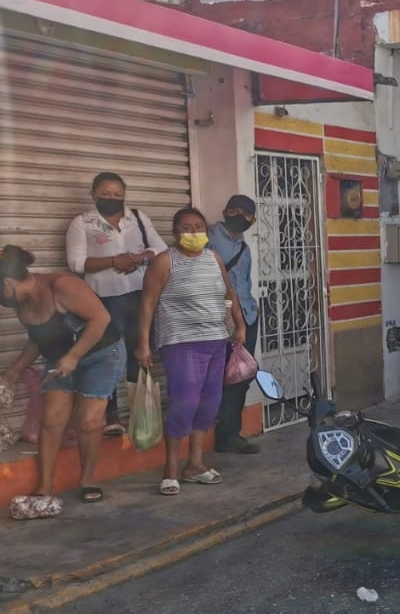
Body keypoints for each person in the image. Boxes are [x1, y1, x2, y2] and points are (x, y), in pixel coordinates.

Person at [0, 245, 125, 517]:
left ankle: (88, 479)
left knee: (89, 422)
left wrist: (74, 356)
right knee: (51, 420)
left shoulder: (61, 285)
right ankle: (44, 487)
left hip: (101, 355)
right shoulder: (22, 303)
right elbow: (37, 340)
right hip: (60, 360)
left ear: (8, 283)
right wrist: (13, 372)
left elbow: (100, 319)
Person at [136, 208, 246, 496]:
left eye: (199, 227)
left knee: (209, 405)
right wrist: (143, 342)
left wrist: (239, 323)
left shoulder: (214, 258)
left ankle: (195, 464)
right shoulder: (164, 261)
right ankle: (170, 469)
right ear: (175, 233)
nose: (194, 232)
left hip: (216, 341)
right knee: (183, 403)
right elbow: (148, 303)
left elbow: (228, 293)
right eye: (187, 227)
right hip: (180, 342)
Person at [64, 172, 161, 436]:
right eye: (106, 194)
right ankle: (111, 415)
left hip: (139, 296)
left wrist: (138, 259)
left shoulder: (138, 218)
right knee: (107, 355)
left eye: (118, 194)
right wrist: (113, 262)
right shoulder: (82, 223)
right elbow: (76, 263)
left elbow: (160, 250)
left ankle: (140, 413)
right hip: (102, 301)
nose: (112, 198)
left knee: (139, 352)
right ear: (94, 193)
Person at [208, 195, 261, 455]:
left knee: (242, 375)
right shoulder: (208, 237)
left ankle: (231, 433)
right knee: (221, 377)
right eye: (235, 210)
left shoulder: (244, 246)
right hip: (224, 319)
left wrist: (249, 313)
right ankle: (222, 432)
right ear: (225, 211)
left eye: (246, 213)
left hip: (248, 316)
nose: (240, 216)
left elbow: (243, 285)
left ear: (252, 220)